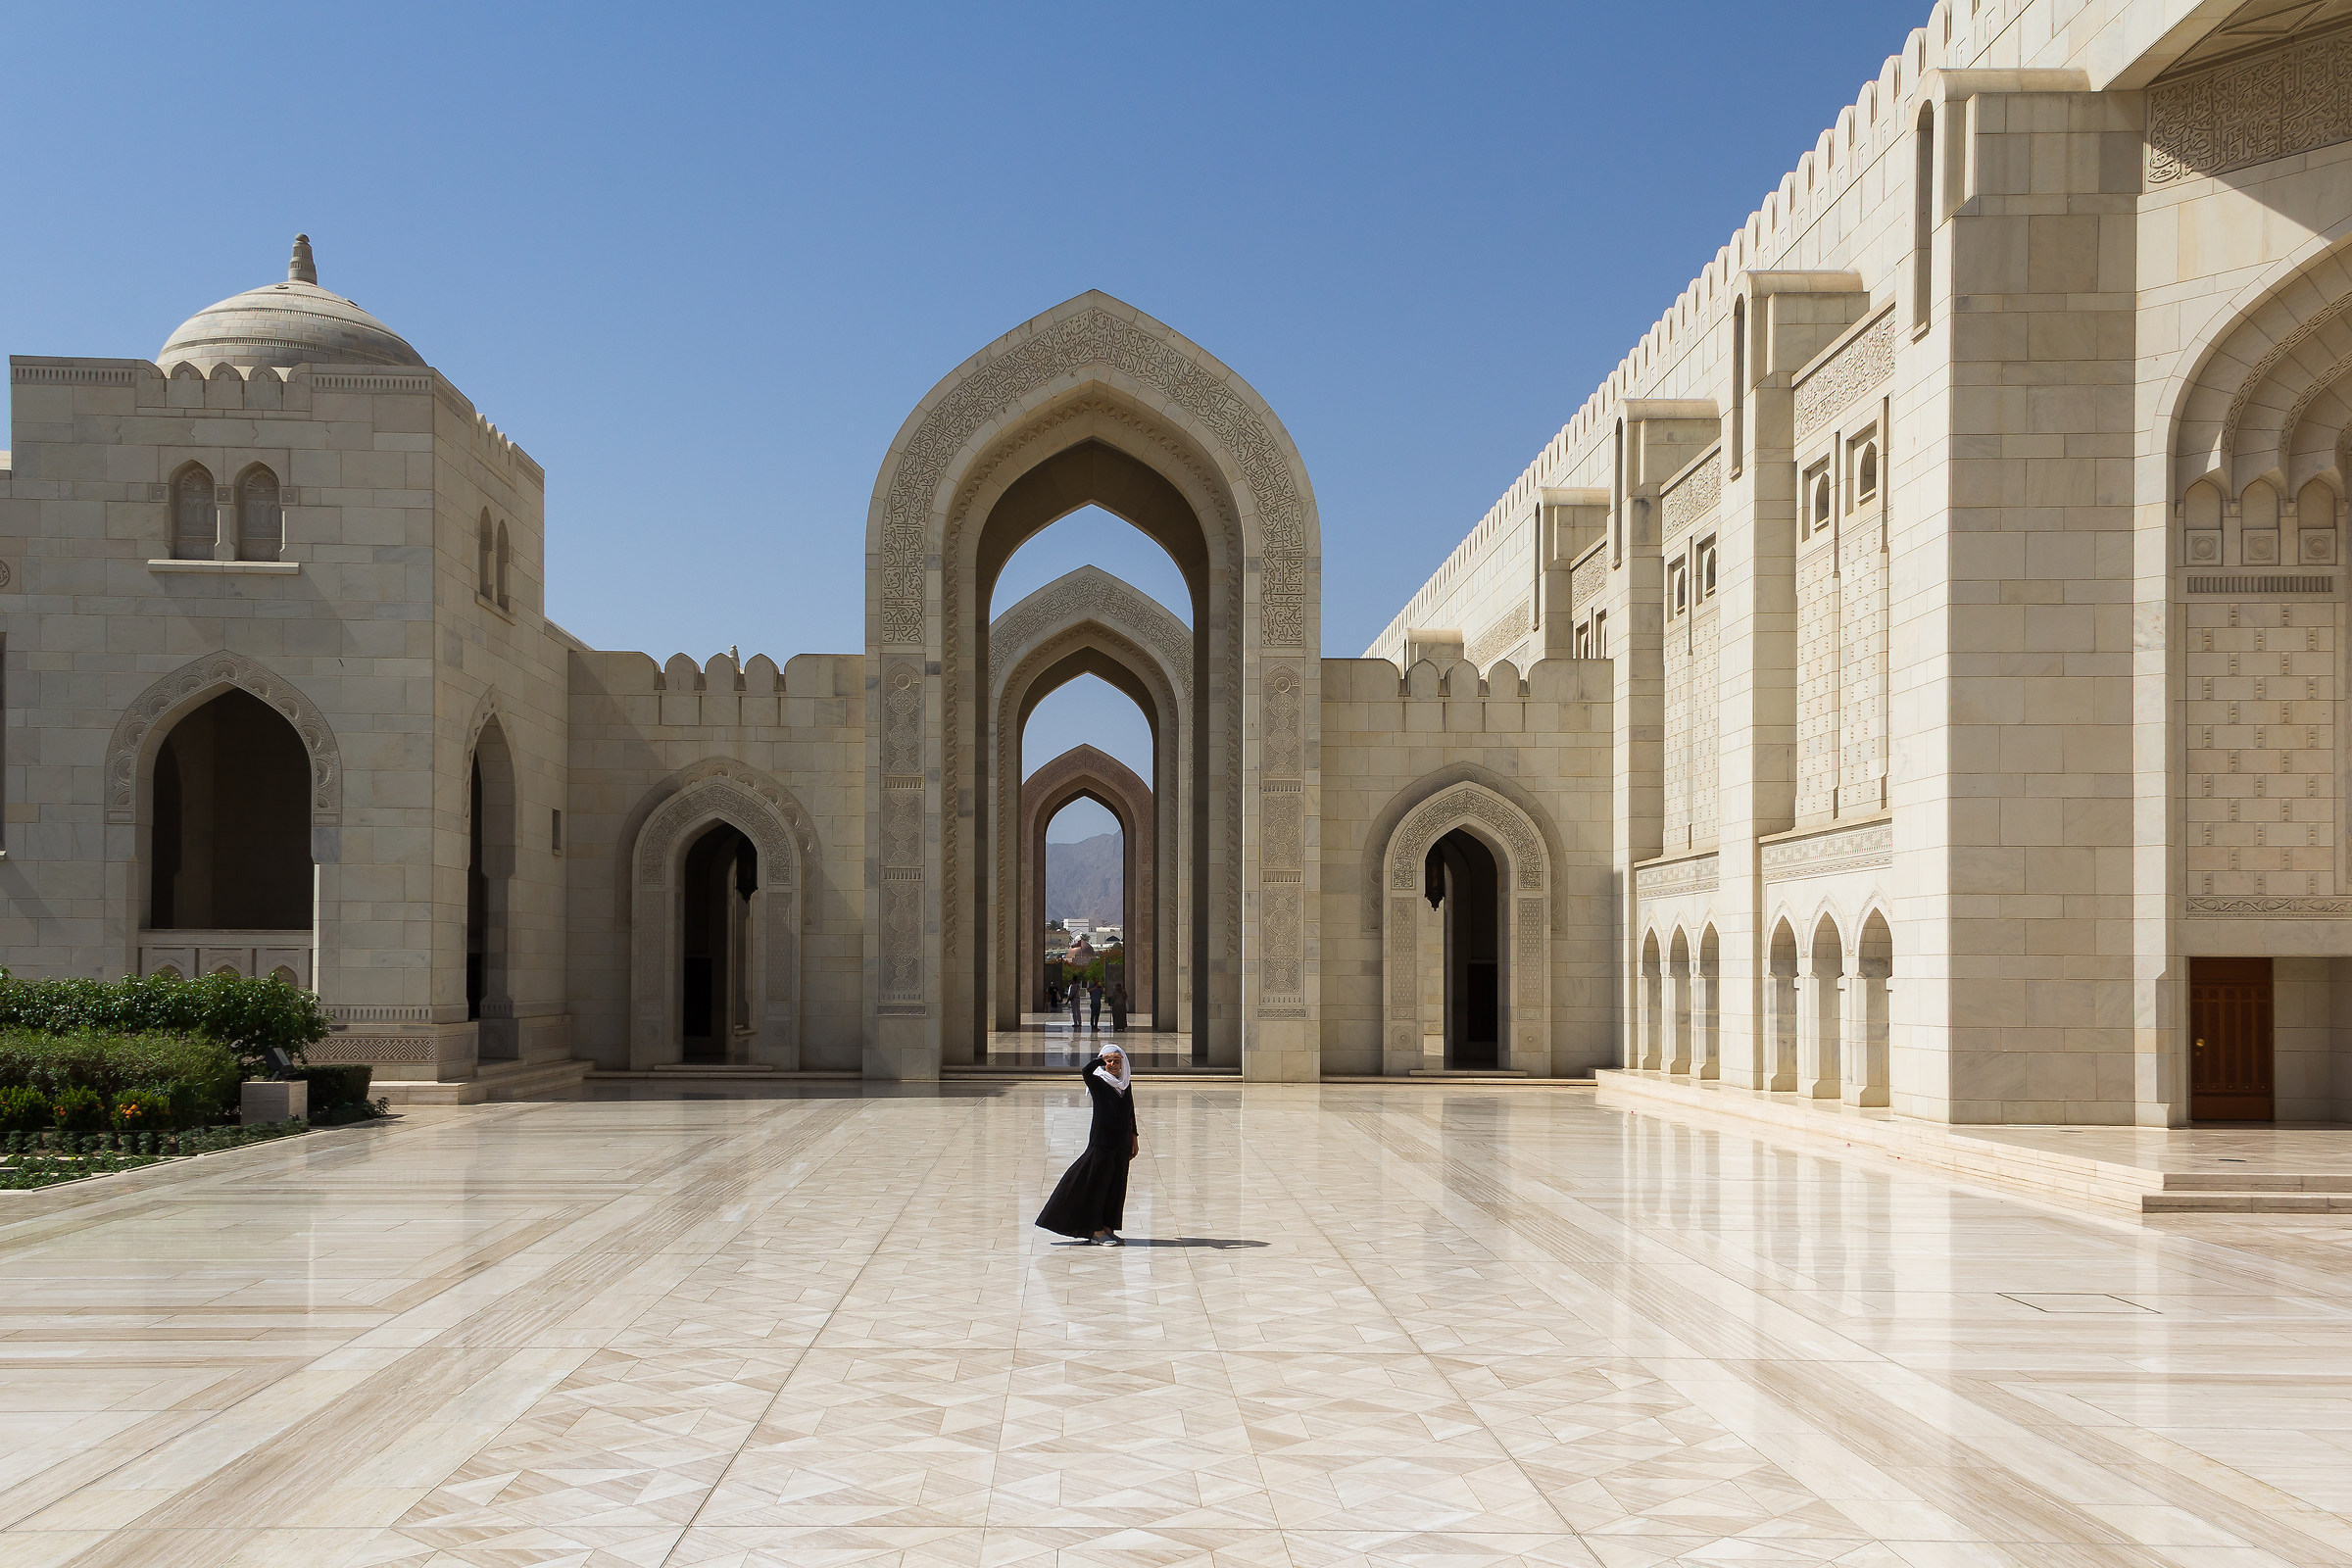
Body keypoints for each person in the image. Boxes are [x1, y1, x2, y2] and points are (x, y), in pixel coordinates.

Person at [1035, 1044, 1138, 1245]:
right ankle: (1096, 1231)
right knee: (1097, 1185)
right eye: (1110, 1061)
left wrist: (1134, 1137)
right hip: (1102, 1142)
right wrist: (1103, 1059)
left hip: (1121, 1143)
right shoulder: (1098, 1081)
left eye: (1117, 1061)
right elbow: (1085, 1071)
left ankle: (1108, 1227)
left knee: (1115, 1186)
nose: (1113, 1065)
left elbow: (1130, 1111)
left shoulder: (1124, 1084)